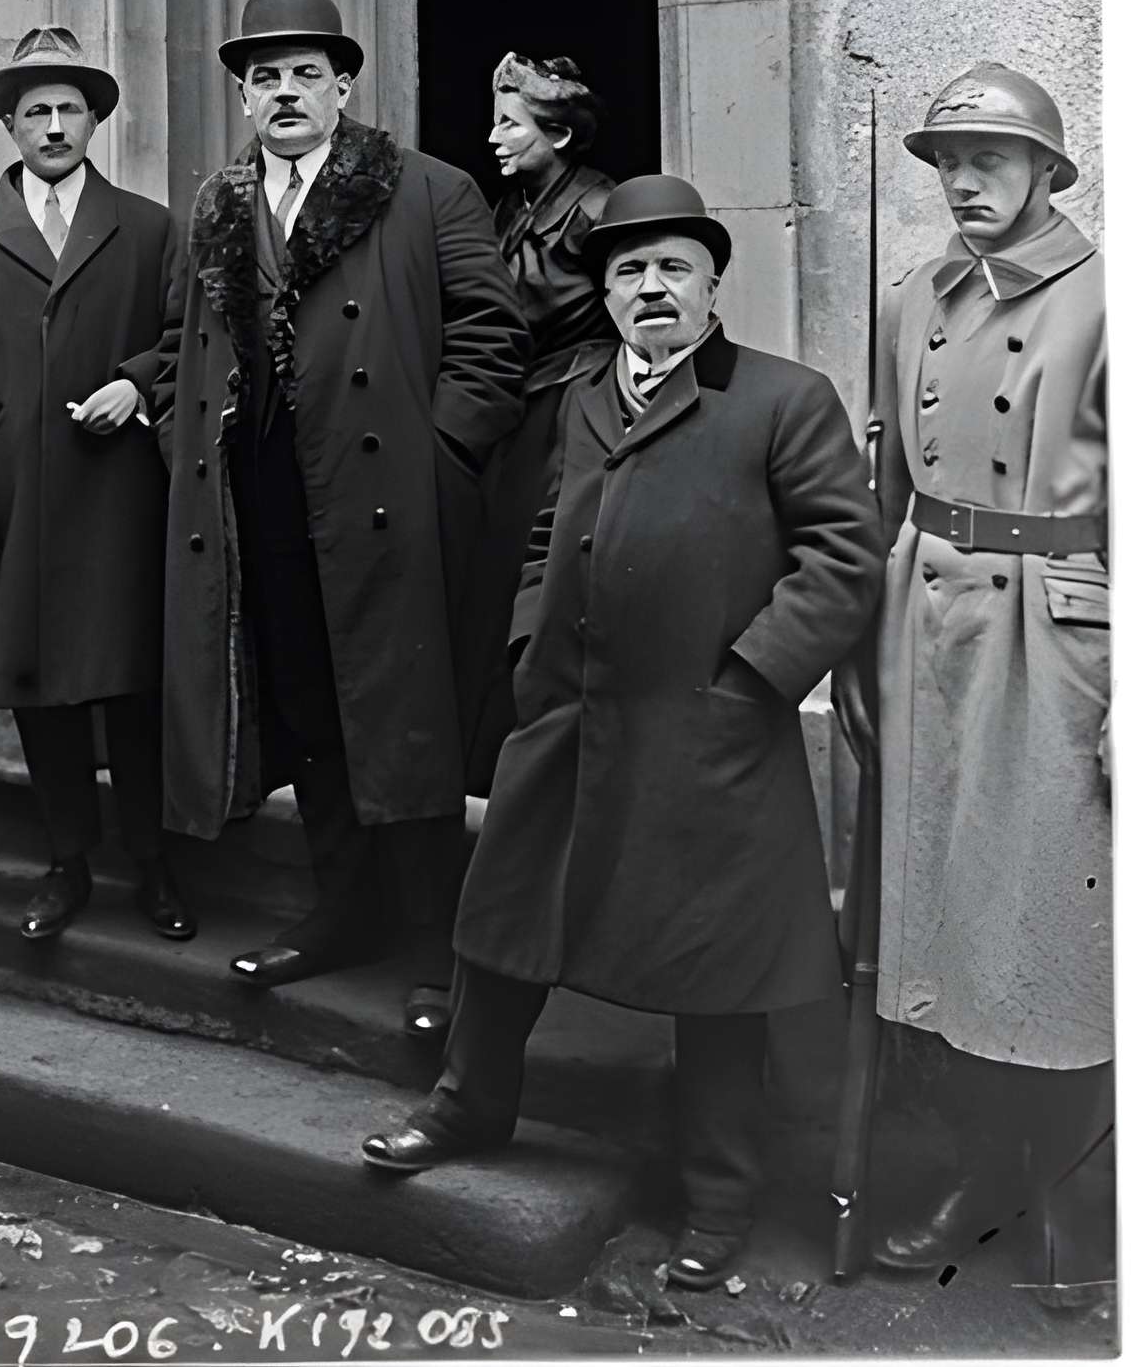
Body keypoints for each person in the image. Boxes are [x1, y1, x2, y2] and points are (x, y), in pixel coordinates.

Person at [361, 176, 885, 1291]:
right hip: (573, 717)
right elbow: (552, 525)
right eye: (628, 271)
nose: (650, 288)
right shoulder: (588, 396)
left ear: (710, 287)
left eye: (672, 269)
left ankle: (719, 1199)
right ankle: (467, 1105)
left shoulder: (782, 398)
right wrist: (525, 644)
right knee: (503, 921)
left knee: (717, 974)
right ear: (604, 294)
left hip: (713, 733)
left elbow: (845, 556)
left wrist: (750, 679)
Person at [155, 0, 530, 1042]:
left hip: (384, 500)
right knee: (309, 709)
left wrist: (436, 457)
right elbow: (188, 344)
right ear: (242, 94)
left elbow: (493, 341)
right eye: (264, 76)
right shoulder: (219, 205)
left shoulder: (426, 188)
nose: (285, 92)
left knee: (401, 717)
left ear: (343, 85)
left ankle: (429, 945)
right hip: (261, 490)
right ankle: (340, 909)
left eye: (304, 73)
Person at [843, 64, 1112, 1302]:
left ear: (1050, 172)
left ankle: (1075, 1200)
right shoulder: (915, 299)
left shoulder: (1116, 300)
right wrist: (860, 644)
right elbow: (886, 484)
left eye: (990, 158)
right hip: (930, 622)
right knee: (942, 912)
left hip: (1059, 639)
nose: (962, 181)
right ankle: (979, 1171)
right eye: (946, 157)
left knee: (1049, 922)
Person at [0, 27, 192, 945]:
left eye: (72, 108)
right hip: (16, 504)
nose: (56, 125)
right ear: (11, 126)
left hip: (120, 500)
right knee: (40, 692)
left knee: (132, 689)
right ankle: (67, 861)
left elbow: (191, 336)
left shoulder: (148, 227)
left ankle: (154, 865)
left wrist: (138, 382)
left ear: (95, 121)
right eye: (38, 111)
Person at [462, 53, 617, 786]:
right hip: (521, 407)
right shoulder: (508, 210)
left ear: (556, 134)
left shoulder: (598, 208)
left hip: (577, 408)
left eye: (509, 124)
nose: (493, 138)